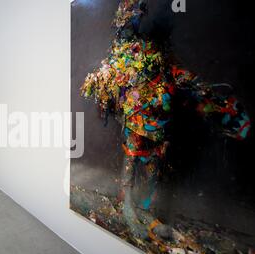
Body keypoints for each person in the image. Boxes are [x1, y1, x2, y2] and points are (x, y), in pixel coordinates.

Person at [81, 0, 251, 240]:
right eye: (130, 16)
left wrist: (199, 90)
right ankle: (128, 207)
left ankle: (146, 211)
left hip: (159, 117)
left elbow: (174, 71)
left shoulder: (152, 48)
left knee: (155, 163)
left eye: (137, 16)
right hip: (136, 116)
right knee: (132, 157)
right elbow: (115, 83)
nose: (134, 21)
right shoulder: (120, 51)